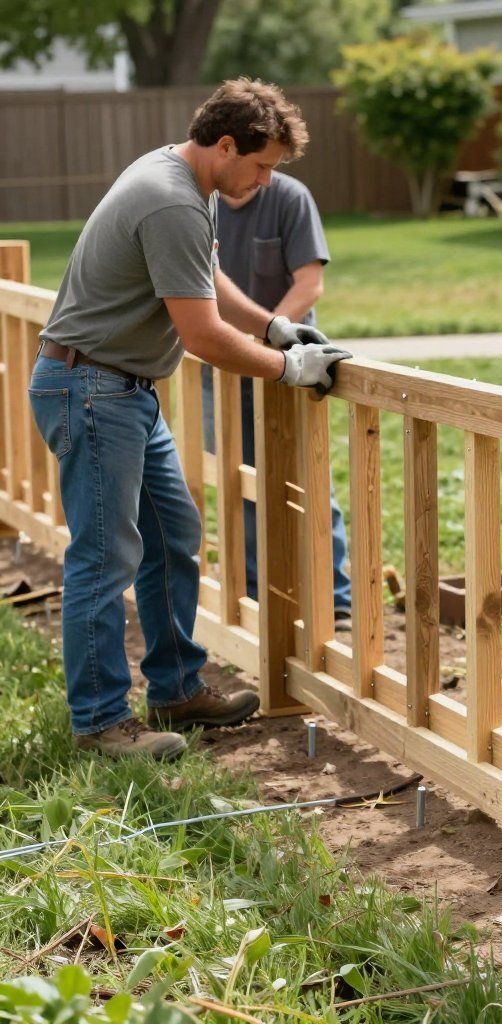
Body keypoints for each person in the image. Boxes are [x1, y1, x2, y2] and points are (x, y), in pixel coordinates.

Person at [29, 79, 350, 762]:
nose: (265, 181)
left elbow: (203, 278)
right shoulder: (171, 199)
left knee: (174, 535)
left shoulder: (175, 175)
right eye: (261, 165)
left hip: (121, 389)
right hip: (92, 389)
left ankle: (175, 689)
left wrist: (274, 326)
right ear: (225, 144)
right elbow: (200, 334)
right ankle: (100, 723)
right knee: (104, 557)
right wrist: (285, 367)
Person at [200, 172, 351, 623]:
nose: (258, 176)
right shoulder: (201, 201)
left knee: (308, 478)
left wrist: (270, 336)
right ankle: (257, 598)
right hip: (224, 370)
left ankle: (335, 599)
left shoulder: (289, 198)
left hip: (289, 365)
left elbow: (309, 284)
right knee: (240, 480)